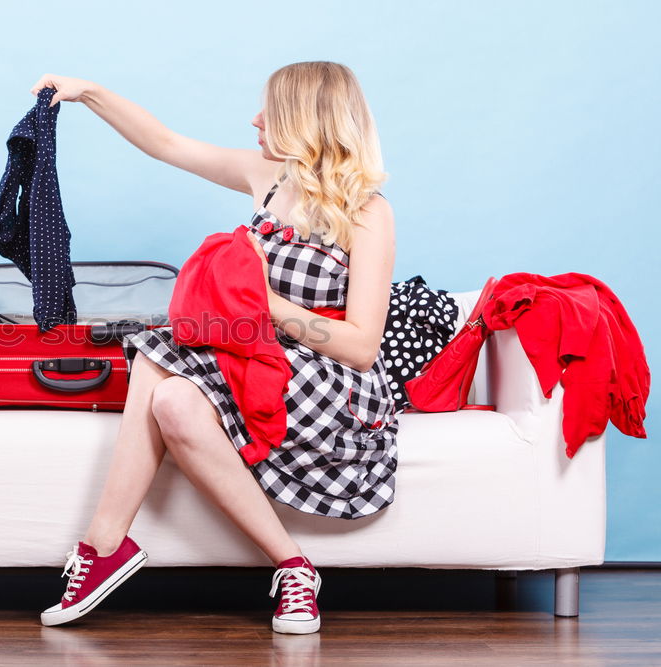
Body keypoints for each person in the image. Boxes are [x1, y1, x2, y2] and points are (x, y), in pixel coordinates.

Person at [30, 61, 397, 635]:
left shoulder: (368, 213)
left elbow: (360, 346)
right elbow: (167, 144)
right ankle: (293, 566)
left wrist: (264, 300)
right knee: (170, 392)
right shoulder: (269, 178)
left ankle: (102, 544)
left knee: (158, 350)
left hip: (327, 385)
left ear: (304, 120)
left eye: (269, 112)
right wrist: (87, 93)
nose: (255, 121)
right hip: (253, 356)